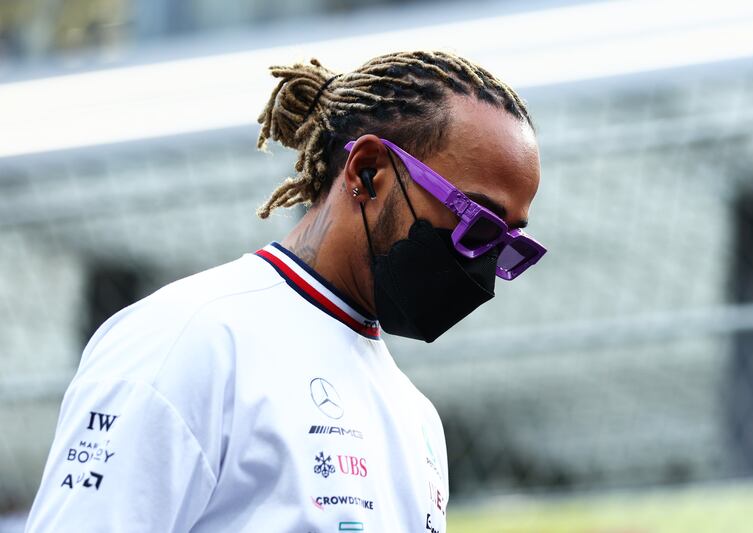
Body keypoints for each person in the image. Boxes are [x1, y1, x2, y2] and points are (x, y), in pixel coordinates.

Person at [25, 50, 544, 532]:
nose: (487, 260)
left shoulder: (418, 418)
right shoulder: (187, 338)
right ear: (367, 172)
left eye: (509, 246)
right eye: (477, 226)